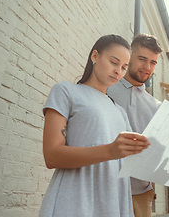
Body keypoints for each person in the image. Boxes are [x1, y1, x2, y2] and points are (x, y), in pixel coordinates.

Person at [39, 34, 150, 217]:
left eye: (123, 67)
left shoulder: (120, 111)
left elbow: (137, 163)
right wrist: (110, 151)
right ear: (95, 56)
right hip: (74, 202)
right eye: (114, 62)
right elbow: (51, 155)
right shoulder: (66, 91)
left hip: (114, 204)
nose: (118, 71)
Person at [107, 33, 162, 217]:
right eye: (142, 59)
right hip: (105, 187)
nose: (147, 67)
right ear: (129, 57)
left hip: (140, 192)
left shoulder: (157, 107)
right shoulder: (105, 89)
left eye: (153, 62)